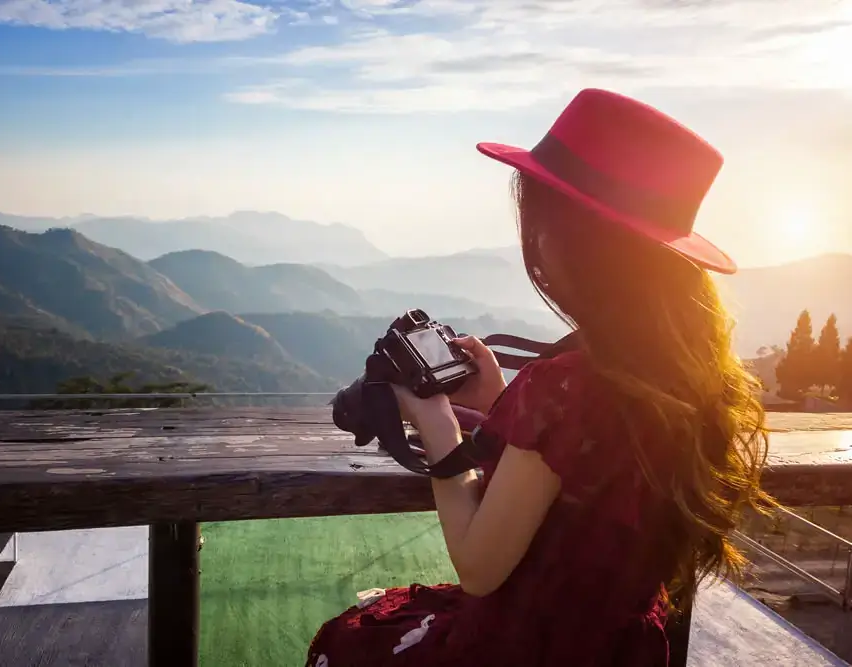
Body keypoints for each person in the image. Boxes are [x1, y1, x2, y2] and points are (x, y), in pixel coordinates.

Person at [305, 88, 774, 667]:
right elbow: (580, 486)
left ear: (568, 239)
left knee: (346, 642)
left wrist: (434, 422)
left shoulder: (568, 385)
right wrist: (506, 405)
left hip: (527, 647)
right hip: (621, 646)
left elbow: (479, 568)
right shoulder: (684, 380)